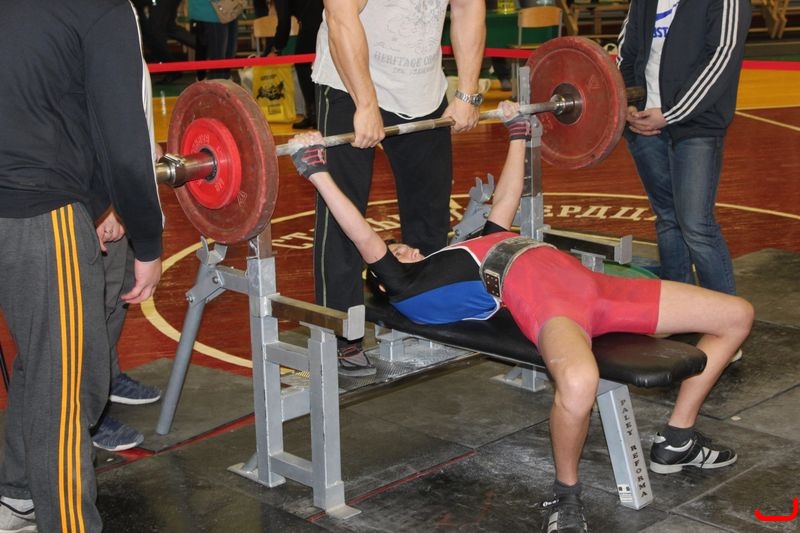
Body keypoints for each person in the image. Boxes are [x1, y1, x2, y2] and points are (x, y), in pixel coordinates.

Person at [286, 101, 754, 532]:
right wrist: (316, 172)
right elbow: (361, 234)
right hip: (551, 304)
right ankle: (565, 495)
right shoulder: (406, 285)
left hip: (597, 288)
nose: (401, 246)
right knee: (579, 382)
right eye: (393, 251)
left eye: (402, 244)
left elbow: (505, 202)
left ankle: (677, 440)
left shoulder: (466, 249)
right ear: (384, 279)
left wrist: (517, 133)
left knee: (736, 315)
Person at [0, 2, 164, 532]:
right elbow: (124, 141)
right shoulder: (101, 7)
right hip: (35, 208)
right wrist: (148, 241)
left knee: (48, 356)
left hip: (28, 196)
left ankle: (17, 492)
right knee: (67, 385)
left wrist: (91, 204)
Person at [311, 0, 486, 376]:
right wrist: (365, 103)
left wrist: (468, 92)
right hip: (349, 84)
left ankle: (426, 310)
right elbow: (340, 15)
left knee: (430, 215)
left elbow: (469, 6)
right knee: (343, 212)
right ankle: (341, 333)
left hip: (423, 90)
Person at [617, 0, 751, 296]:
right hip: (644, 122)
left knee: (696, 226)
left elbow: (721, 59)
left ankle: (724, 313)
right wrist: (627, 102)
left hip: (696, 125)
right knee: (667, 219)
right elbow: (627, 51)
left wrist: (671, 113)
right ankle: (677, 306)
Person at [90, 212, 163, 453]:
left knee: (123, 285)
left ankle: (107, 377)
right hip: (88, 206)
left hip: (120, 202)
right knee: (93, 303)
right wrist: (104, 209)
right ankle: (85, 412)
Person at [263, 0, 324, 129]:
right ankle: (318, 113)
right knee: (320, 67)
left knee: (302, 66)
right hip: (326, 23)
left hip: (311, 26)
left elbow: (284, 21)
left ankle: (313, 114)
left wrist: (276, 48)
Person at [188, 0, 240, 80]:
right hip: (208, 12)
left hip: (228, 10)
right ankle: (215, 82)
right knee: (218, 56)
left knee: (229, 52)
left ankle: (223, 80)